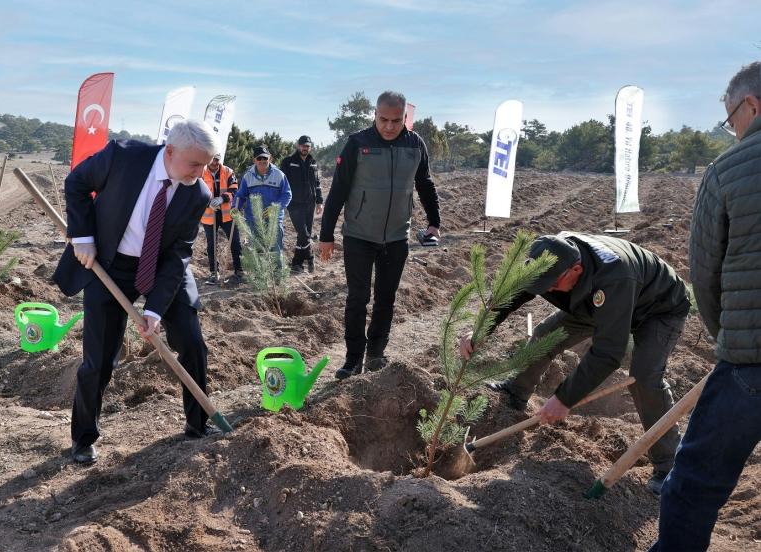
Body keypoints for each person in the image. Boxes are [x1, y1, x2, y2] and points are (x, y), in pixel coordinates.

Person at [460, 232, 690, 494]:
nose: (547, 290)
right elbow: (513, 292)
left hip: (658, 308)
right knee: (546, 335)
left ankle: (669, 464)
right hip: (594, 301)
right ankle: (516, 391)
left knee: (644, 377)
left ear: (576, 270)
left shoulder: (615, 277)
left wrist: (564, 398)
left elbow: (608, 352)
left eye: (552, 285)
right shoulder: (552, 257)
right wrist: (481, 328)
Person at [53, 120, 219, 465]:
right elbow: (77, 183)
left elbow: (178, 255)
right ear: (169, 152)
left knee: (191, 341)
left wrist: (154, 311)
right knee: (100, 358)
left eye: (206, 165)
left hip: (163, 266)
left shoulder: (197, 193)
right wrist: (82, 236)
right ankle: (84, 438)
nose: (200, 173)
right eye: (194, 164)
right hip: (109, 263)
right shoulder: (123, 157)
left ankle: (198, 424)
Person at [650, 62, 761, 552]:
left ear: (751, 105)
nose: (732, 129)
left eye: (731, 118)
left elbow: (705, 274)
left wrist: (730, 341)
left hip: (749, 364)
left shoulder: (727, 170)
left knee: (693, 484)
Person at [319, 90, 440, 380]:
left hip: (397, 237)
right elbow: (338, 190)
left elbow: (424, 183)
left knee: (386, 298)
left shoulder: (415, 144)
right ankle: (352, 360)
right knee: (357, 299)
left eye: (395, 121)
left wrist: (434, 222)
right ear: (374, 114)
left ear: (404, 118)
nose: (388, 126)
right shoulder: (358, 143)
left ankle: (376, 354)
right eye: (383, 119)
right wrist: (326, 234)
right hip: (359, 235)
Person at [234, 145, 292, 268]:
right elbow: (240, 195)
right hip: (253, 220)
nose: (262, 161)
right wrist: (235, 207)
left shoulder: (279, 175)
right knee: (256, 252)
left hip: (274, 220)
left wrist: (275, 208)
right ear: (254, 160)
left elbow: (287, 194)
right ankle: (258, 276)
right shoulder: (248, 176)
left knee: (276, 251)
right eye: (259, 158)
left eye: (265, 158)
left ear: (270, 158)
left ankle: (277, 276)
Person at [280, 135, 323, 273]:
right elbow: (282, 183)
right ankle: (310, 257)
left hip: (310, 203)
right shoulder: (288, 162)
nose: (305, 148)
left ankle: (296, 263)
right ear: (298, 146)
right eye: (303, 145)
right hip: (294, 204)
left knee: (304, 234)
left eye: (308, 146)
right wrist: (282, 201)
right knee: (304, 234)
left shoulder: (313, 162)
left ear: (310, 147)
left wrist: (319, 202)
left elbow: (317, 183)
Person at [201, 153, 243, 284]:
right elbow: (196, 192)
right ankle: (214, 273)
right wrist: (208, 203)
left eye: (217, 160)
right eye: (212, 159)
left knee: (235, 241)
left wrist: (222, 199)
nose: (215, 162)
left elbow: (234, 190)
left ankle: (239, 271)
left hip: (227, 214)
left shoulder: (228, 171)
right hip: (209, 214)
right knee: (212, 244)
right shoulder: (200, 172)